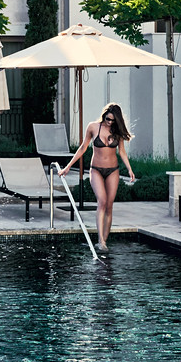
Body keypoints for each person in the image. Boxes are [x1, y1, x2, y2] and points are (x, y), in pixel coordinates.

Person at [60, 102, 136, 251]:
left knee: (109, 205)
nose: (110, 122)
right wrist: (68, 167)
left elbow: (122, 152)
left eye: (113, 120)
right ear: (104, 115)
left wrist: (130, 169)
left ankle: (104, 241)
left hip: (113, 170)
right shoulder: (93, 127)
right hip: (96, 170)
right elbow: (82, 148)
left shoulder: (117, 131)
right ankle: (100, 240)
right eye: (108, 119)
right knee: (102, 200)